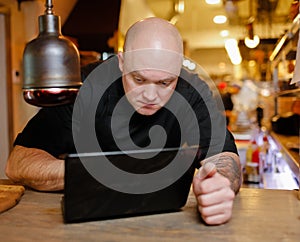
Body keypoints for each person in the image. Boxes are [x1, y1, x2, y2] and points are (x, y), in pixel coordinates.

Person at [6, 17, 242, 225]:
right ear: (121, 62)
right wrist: (101, 174)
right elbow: (17, 163)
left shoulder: (192, 91)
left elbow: (224, 156)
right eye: (138, 79)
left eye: (164, 83)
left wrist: (219, 185)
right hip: (85, 223)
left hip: (162, 222)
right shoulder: (85, 88)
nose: (150, 96)